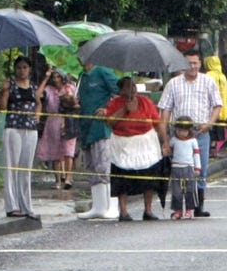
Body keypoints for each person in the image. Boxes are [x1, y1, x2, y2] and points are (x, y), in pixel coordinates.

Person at [159, 50, 225, 216]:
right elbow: (165, 109)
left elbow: (217, 105)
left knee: (200, 169)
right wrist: (165, 139)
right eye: (189, 63)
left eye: (195, 63)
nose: (192, 66)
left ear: (200, 64)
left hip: (200, 133)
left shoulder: (208, 82)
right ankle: (178, 208)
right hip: (178, 135)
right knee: (178, 172)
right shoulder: (173, 84)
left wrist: (209, 124)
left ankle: (198, 207)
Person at [100, 74, 167, 222]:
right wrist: (125, 109)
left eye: (133, 86)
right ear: (121, 90)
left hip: (145, 144)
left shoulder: (146, 101)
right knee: (122, 179)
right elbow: (110, 122)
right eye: (128, 86)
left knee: (149, 178)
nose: (132, 89)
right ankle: (123, 211)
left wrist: (165, 142)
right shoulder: (115, 103)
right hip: (122, 144)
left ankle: (148, 210)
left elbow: (157, 122)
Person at [0, 57, 42, 219]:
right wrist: (3, 91)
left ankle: (26, 206)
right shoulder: (10, 85)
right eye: (19, 68)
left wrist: (38, 115)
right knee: (12, 167)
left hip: (30, 128)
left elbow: (38, 102)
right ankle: (12, 206)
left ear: (29, 69)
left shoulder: (33, 86)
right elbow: (1, 107)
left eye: (25, 67)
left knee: (25, 168)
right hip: (13, 127)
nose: (22, 71)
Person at [74, 65, 119, 219]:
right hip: (86, 126)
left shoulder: (103, 72)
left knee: (103, 166)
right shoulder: (82, 76)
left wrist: (109, 110)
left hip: (101, 127)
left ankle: (111, 205)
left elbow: (121, 92)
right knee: (91, 165)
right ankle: (98, 206)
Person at [40, 70, 79, 190]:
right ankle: (57, 180)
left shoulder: (70, 88)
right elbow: (38, 95)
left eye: (58, 76)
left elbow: (76, 104)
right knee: (55, 153)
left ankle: (68, 178)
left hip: (68, 121)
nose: (56, 79)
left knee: (68, 151)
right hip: (53, 121)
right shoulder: (49, 90)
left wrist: (69, 98)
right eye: (54, 77)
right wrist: (45, 78)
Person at [168, 116, 202, 219]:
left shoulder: (193, 141)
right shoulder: (173, 140)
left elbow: (196, 155)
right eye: (178, 130)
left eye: (184, 131)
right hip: (176, 167)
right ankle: (177, 210)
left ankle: (190, 209)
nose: (181, 133)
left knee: (190, 189)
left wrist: (197, 168)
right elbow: (169, 152)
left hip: (189, 167)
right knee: (176, 190)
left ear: (189, 130)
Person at [204, 55, 227, 152]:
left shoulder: (208, 75)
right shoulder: (223, 76)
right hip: (223, 110)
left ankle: (210, 150)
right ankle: (215, 150)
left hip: (211, 110)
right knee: (218, 131)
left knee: (210, 131)